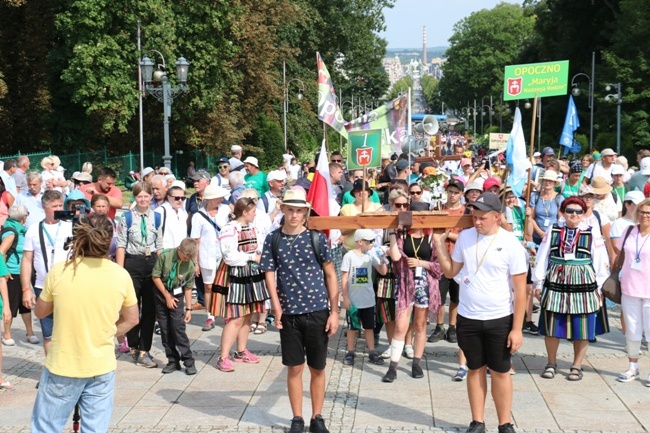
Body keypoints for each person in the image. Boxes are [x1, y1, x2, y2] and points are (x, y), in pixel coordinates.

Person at [30, 214, 139, 432]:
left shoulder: (61, 270)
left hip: (64, 363)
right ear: (109, 242)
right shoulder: (120, 275)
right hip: (101, 364)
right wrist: (108, 332)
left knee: (47, 427)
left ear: (77, 238)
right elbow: (132, 319)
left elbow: (41, 312)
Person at [433, 191, 527, 433]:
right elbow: (451, 272)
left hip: (499, 317)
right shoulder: (465, 238)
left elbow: (520, 290)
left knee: (500, 371)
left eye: (482, 218)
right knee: (474, 369)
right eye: (474, 216)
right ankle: (477, 421)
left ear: (496, 216)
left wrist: (517, 329)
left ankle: (505, 423)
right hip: (468, 316)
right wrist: (438, 245)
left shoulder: (510, 243)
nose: (476, 222)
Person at [260, 188, 339, 433]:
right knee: (294, 367)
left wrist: (335, 311)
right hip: (290, 313)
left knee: (317, 367)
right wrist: (276, 305)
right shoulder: (273, 239)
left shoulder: (317, 238)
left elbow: (330, 274)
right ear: (282, 209)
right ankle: (297, 418)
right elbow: (269, 274)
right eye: (290, 209)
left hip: (317, 310)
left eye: (299, 210)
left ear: (305, 213)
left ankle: (317, 416)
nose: (294, 215)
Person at [532, 196, 610, 382]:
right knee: (552, 323)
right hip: (556, 278)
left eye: (578, 211)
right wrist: (538, 282)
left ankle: (576, 365)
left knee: (582, 326)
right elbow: (543, 256)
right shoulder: (554, 230)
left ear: (583, 214)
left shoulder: (591, 232)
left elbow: (600, 260)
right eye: (570, 211)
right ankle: (551, 363)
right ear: (563, 212)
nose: (574, 215)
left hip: (583, 281)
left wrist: (599, 288)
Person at [381, 201, 442, 383]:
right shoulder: (402, 234)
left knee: (420, 324)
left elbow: (440, 266)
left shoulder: (432, 237)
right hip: (405, 282)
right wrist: (392, 232)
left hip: (424, 282)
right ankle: (393, 366)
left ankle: (417, 362)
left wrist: (422, 263)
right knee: (400, 325)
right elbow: (396, 256)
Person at [213, 197, 270, 372]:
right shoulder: (230, 229)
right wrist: (252, 257)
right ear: (244, 212)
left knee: (248, 315)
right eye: (252, 211)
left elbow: (259, 246)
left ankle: (240, 351)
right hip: (236, 275)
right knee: (236, 317)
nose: (255, 214)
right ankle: (223, 357)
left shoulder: (253, 227)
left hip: (252, 274)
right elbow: (230, 257)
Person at [116, 182, 163, 368]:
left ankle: (145, 349)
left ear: (151, 197)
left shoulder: (157, 217)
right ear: (134, 198)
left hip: (150, 262)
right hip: (132, 262)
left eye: (146, 196)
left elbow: (159, 244)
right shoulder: (127, 218)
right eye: (139, 196)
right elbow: (121, 245)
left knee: (150, 309)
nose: (143, 200)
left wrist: (162, 268)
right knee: (132, 306)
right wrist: (120, 272)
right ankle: (133, 343)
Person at [20, 190, 73, 355]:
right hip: (42, 286)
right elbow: (27, 260)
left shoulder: (70, 227)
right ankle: (52, 372)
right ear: (44, 207)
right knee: (48, 334)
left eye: (60, 205)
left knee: (69, 332)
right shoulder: (34, 229)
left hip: (68, 286)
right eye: (54, 206)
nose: (58, 209)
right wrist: (26, 289)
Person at [341, 229, 387, 367]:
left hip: (368, 299)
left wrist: (383, 258)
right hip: (354, 299)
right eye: (370, 241)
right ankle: (350, 351)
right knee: (352, 327)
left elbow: (383, 271)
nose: (373, 243)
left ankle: (372, 351)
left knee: (369, 327)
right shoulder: (349, 256)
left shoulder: (370, 256)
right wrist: (345, 297)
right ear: (360, 242)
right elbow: (344, 278)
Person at [616, 198, 650, 385]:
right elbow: (620, 253)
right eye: (642, 212)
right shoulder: (629, 231)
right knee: (632, 330)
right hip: (630, 286)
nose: (645, 216)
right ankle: (632, 367)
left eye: (649, 213)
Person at [152, 238, 197, 375]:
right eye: (183, 257)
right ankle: (172, 361)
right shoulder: (165, 256)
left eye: (188, 258)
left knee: (178, 329)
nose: (185, 260)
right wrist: (167, 296)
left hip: (177, 295)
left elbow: (188, 288)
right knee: (165, 329)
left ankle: (188, 361)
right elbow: (155, 276)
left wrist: (188, 308)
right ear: (179, 249)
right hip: (162, 293)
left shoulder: (190, 264)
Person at [190, 184, 230, 331]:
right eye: (218, 197)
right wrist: (195, 262)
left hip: (224, 254)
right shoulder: (198, 216)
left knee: (224, 286)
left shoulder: (225, 210)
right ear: (210, 199)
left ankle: (226, 312)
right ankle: (210, 315)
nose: (221, 199)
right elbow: (196, 240)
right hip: (206, 255)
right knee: (208, 287)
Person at [376, 190, 408, 358]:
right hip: (387, 269)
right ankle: (391, 344)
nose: (402, 208)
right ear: (391, 205)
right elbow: (375, 244)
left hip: (406, 269)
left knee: (407, 309)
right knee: (388, 310)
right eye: (398, 205)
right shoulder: (384, 221)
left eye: (405, 204)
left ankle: (408, 344)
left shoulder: (410, 222)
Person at [1, 205, 38, 346]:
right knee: (10, 305)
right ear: (24, 217)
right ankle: (7, 334)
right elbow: (1, 252)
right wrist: (5, 272)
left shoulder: (20, 230)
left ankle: (30, 332)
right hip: (13, 273)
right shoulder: (12, 232)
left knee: (25, 304)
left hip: (22, 271)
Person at [340, 180, 382, 252]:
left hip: (373, 250)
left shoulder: (378, 208)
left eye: (364, 190)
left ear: (368, 192)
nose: (361, 193)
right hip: (351, 250)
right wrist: (357, 222)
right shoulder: (346, 208)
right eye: (358, 190)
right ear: (354, 193)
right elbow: (343, 231)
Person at [529, 170, 565, 245]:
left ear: (555, 183)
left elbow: (561, 220)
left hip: (553, 236)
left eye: (550, 181)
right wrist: (540, 233)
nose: (548, 182)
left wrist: (550, 233)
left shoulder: (559, 198)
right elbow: (531, 218)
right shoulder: (535, 197)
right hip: (537, 236)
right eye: (546, 180)